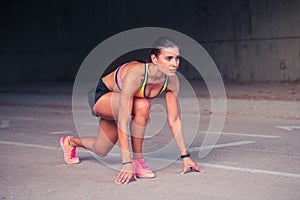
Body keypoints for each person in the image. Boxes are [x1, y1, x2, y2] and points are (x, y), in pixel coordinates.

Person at [60, 37, 203, 184]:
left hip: (119, 100)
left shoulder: (172, 81)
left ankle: (70, 142)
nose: (174, 64)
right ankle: (137, 160)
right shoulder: (136, 75)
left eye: (177, 58)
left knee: (101, 148)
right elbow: (123, 119)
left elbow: (174, 120)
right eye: (168, 58)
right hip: (101, 95)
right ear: (154, 59)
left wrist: (185, 156)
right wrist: (126, 163)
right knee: (142, 106)